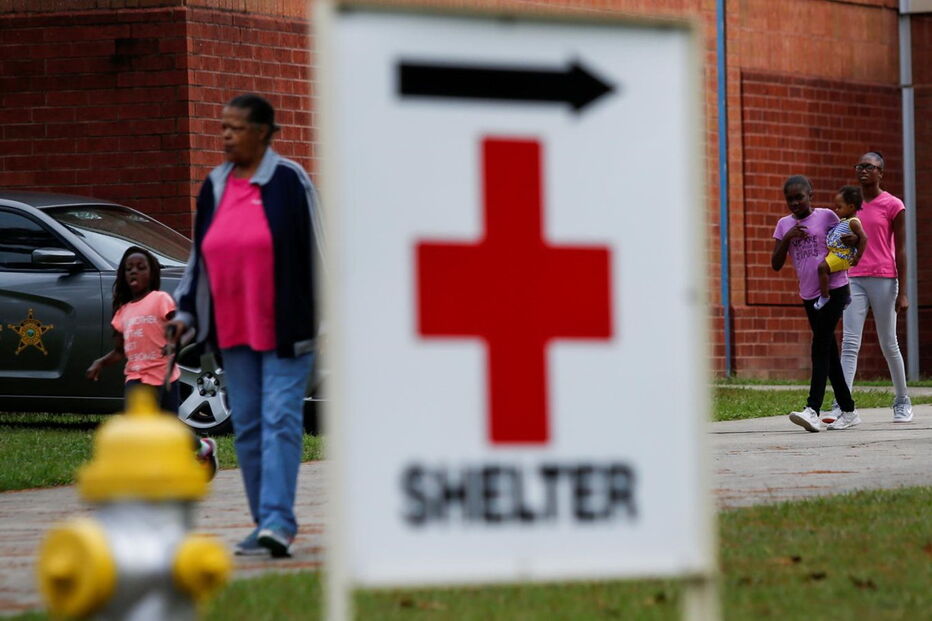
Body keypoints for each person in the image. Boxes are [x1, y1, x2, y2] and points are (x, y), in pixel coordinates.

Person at [168, 94, 323, 558]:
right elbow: (200, 258)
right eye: (223, 128)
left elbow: (318, 249)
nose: (227, 136)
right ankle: (265, 524)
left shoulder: (289, 181)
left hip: (288, 328)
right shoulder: (215, 184)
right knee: (252, 427)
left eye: (236, 128)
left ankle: (279, 522)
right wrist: (185, 312)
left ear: (263, 132)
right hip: (232, 330)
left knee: (280, 421)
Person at [86, 245, 218, 476]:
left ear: (152, 273)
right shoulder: (122, 312)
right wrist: (100, 363)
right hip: (137, 376)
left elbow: (185, 328)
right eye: (128, 269)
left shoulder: (160, 300)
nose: (134, 272)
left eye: (140, 267)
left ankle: (202, 448)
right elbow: (120, 351)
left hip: (166, 377)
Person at [830, 151, 912, 426]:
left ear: (881, 173)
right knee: (849, 344)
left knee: (889, 343)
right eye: (859, 166)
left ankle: (902, 402)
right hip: (853, 277)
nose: (863, 170)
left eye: (869, 166)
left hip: (885, 279)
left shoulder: (893, 204)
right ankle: (843, 405)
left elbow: (900, 249)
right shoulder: (851, 204)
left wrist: (903, 292)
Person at [771, 175, 856, 432]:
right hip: (809, 295)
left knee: (819, 347)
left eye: (800, 197)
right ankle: (849, 411)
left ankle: (812, 409)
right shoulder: (783, 224)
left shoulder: (827, 217)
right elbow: (775, 264)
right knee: (829, 352)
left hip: (834, 288)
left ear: (811, 195)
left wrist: (853, 241)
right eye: (790, 199)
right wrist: (788, 238)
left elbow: (848, 237)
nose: (795, 203)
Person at [813, 186, 867, 311]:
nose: (836, 210)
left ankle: (825, 296)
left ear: (851, 207)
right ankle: (847, 297)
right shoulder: (844, 220)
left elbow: (864, 238)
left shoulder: (853, 222)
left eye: (839, 207)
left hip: (842, 255)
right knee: (842, 275)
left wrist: (857, 257)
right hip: (835, 252)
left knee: (822, 268)